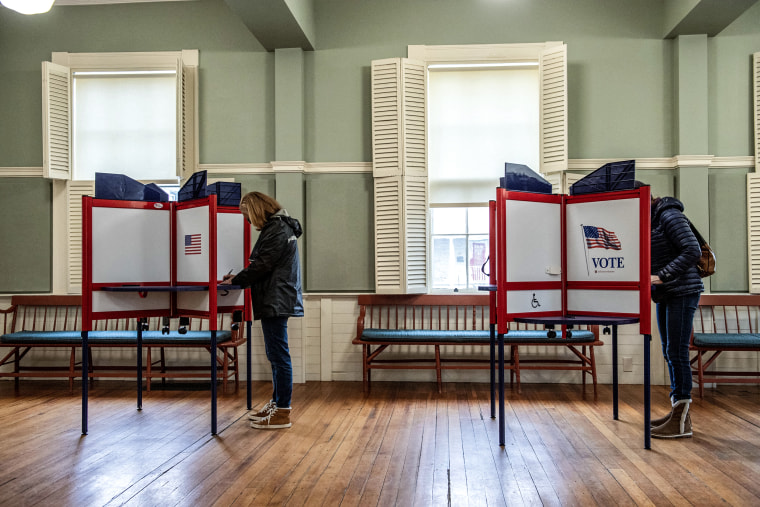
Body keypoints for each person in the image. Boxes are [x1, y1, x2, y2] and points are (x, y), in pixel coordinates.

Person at [221, 191, 303, 430]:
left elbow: (262, 266)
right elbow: (264, 264)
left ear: (256, 210)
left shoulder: (277, 230)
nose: (248, 221)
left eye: (247, 215)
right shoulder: (280, 227)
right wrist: (239, 277)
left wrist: (236, 281)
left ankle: (283, 411)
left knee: (279, 356)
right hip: (276, 297)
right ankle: (277, 405)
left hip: (275, 299)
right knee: (276, 356)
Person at [640, 182, 703, 438]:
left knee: (676, 352)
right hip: (667, 293)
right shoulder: (649, 221)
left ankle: (681, 421)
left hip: (682, 290)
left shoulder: (668, 214)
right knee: (669, 352)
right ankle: (678, 413)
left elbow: (693, 250)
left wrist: (661, 276)